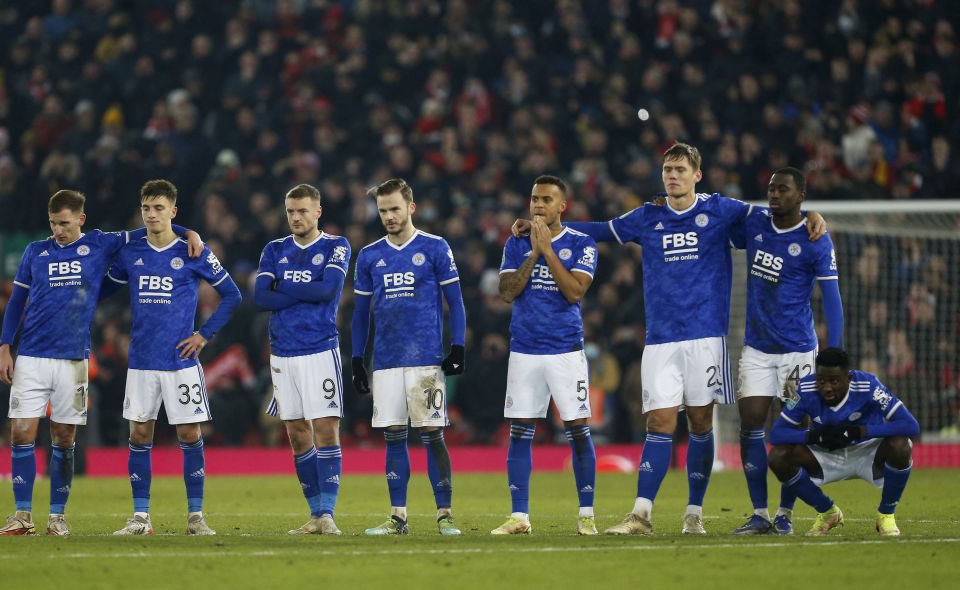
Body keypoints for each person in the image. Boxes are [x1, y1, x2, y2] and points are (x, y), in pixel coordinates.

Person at [513, 143, 825, 535]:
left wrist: (812, 214)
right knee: (658, 422)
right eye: (667, 170)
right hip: (660, 339)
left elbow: (776, 216)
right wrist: (546, 229)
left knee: (699, 422)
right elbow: (603, 230)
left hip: (705, 337)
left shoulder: (722, 211)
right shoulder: (649, 216)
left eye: (679, 169)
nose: (672, 175)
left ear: (697, 175)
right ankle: (641, 514)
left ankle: (694, 513)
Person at [0, 189, 201, 536]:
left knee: (63, 437)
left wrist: (187, 232)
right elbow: (16, 302)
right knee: (21, 432)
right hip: (30, 355)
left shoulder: (100, 244)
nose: (59, 230)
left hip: (73, 359)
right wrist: (4, 346)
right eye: (53, 223)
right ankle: (22, 515)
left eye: (64, 223)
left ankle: (57, 517)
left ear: (80, 219)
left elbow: (150, 228)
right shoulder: (36, 251)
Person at [103, 179, 241, 536]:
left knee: (190, 432)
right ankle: (140, 518)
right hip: (142, 361)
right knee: (139, 433)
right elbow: (105, 290)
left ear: (173, 211)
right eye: (147, 208)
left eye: (159, 208)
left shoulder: (192, 251)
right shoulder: (131, 251)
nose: (151, 214)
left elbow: (233, 295)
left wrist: (204, 335)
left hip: (180, 362)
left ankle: (196, 517)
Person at [730, 167, 844, 535]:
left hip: (797, 352)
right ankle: (760, 513)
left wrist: (835, 356)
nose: (774, 194)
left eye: (783, 189)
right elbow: (713, 210)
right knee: (749, 424)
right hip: (757, 349)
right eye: (770, 188)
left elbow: (832, 300)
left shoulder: (815, 239)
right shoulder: (754, 223)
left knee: (791, 432)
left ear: (802, 195)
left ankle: (785, 513)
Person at [350, 178, 466, 536]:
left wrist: (458, 346)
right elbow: (360, 314)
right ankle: (397, 517)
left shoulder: (434, 248)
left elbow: (456, 302)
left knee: (433, 434)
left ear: (411, 207)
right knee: (394, 436)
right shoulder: (370, 255)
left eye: (395, 209)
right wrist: (357, 358)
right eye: (383, 210)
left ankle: (444, 515)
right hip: (385, 361)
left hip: (426, 361)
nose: (388, 216)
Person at [491, 175, 599, 536]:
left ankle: (586, 515)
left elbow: (574, 292)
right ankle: (519, 517)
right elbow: (506, 292)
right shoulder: (516, 243)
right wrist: (534, 253)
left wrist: (548, 251)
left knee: (578, 430)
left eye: (546, 200)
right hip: (524, 349)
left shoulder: (582, 244)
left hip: (566, 350)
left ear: (561, 206)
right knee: (520, 433)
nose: (538, 205)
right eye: (535, 198)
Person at [253, 184, 351, 535]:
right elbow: (260, 298)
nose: (296, 217)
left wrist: (282, 287)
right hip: (282, 352)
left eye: (303, 211)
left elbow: (326, 291)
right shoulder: (274, 249)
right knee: (296, 433)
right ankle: (314, 515)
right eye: (291, 212)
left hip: (320, 348)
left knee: (326, 429)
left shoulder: (335, 246)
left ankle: (328, 513)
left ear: (317, 212)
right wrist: (300, 292)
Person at [768, 347, 919, 536]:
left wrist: (862, 431)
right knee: (778, 456)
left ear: (848, 378)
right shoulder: (805, 389)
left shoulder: (869, 386)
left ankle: (886, 516)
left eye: (834, 381)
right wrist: (814, 437)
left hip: (867, 453)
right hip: (826, 455)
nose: (827, 387)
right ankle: (827, 511)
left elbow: (911, 425)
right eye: (821, 381)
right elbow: (776, 434)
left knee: (901, 445)